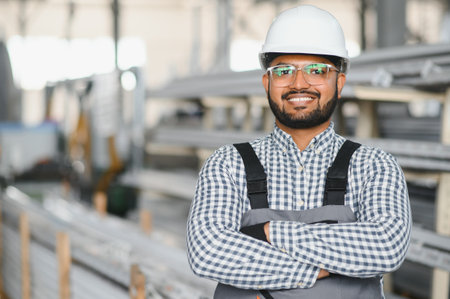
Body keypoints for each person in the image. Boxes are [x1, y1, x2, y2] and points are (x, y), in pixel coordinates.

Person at [187, 5, 411, 299]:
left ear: (339, 83)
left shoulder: (374, 166)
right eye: (283, 71)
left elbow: (386, 246)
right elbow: (207, 251)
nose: (299, 83)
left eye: (317, 70)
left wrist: (268, 233)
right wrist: (309, 271)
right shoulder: (228, 164)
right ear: (267, 82)